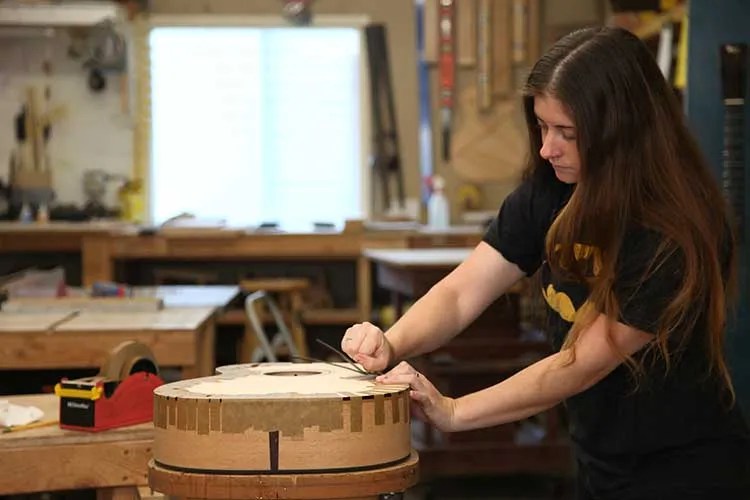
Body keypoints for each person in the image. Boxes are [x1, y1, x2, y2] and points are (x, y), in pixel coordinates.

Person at [342, 26, 750, 499]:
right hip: (600, 457)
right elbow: (459, 294)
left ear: (621, 132)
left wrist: (454, 412)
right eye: (542, 126)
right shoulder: (551, 191)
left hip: (687, 471)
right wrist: (390, 344)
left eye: (566, 133)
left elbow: (580, 364)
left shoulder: (670, 231)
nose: (546, 148)